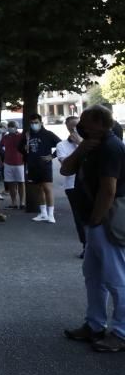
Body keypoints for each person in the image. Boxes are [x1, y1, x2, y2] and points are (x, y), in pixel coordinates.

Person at [60, 105, 125, 352]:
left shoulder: (111, 147)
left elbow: (109, 190)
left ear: (99, 123)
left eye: (85, 123)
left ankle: (121, 332)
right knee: (94, 275)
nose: (80, 128)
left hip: (106, 221)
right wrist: (80, 151)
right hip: (94, 221)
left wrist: (96, 221)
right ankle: (95, 324)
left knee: (117, 278)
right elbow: (66, 169)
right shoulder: (92, 145)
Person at [20, 113, 61, 223]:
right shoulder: (28, 135)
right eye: (32, 123)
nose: (34, 124)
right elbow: (20, 148)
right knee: (38, 190)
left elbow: (61, 145)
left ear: (41, 123)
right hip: (32, 165)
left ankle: (51, 214)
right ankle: (43, 213)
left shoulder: (48, 134)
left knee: (47, 188)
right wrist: (25, 148)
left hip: (45, 166)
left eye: (36, 122)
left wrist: (52, 156)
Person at [56, 116, 87, 258]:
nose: (75, 129)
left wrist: (81, 143)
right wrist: (79, 148)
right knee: (79, 217)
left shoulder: (90, 142)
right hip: (72, 185)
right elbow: (67, 165)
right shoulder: (62, 145)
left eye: (77, 126)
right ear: (67, 128)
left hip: (90, 183)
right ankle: (86, 245)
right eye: (72, 127)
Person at [0, 121, 26, 210]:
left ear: (16, 127)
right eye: (9, 126)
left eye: (12, 126)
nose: (11, 128)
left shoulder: (21, 136)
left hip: (19, 163)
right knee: (11, 183)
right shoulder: (5, 137)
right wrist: (4, 155)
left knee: (21, 182)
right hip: (8, 163)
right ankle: (13, 202)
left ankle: (22, 202)